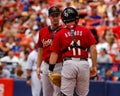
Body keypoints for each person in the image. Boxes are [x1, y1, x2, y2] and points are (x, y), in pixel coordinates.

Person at [49, 7, 97, 96]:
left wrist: (50, 70)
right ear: (76, 18)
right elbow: (93, 48)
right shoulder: (85, 30)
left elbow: (54, 54)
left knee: (66, 94)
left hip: (69, 64)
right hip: (83, 64)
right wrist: (94, 66)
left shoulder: (59, 33)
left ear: (63, 20)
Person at [36, 6, 63, 96]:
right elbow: (40, 50)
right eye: (53, 16)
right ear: (49, 17)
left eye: (57, 15)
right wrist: (38, 67)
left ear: (60, 16)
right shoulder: (43, 31)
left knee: (58, 93)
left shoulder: (64, 30)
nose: (55, 18)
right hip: (46, 65)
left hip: (59, 65)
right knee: (46, 93)